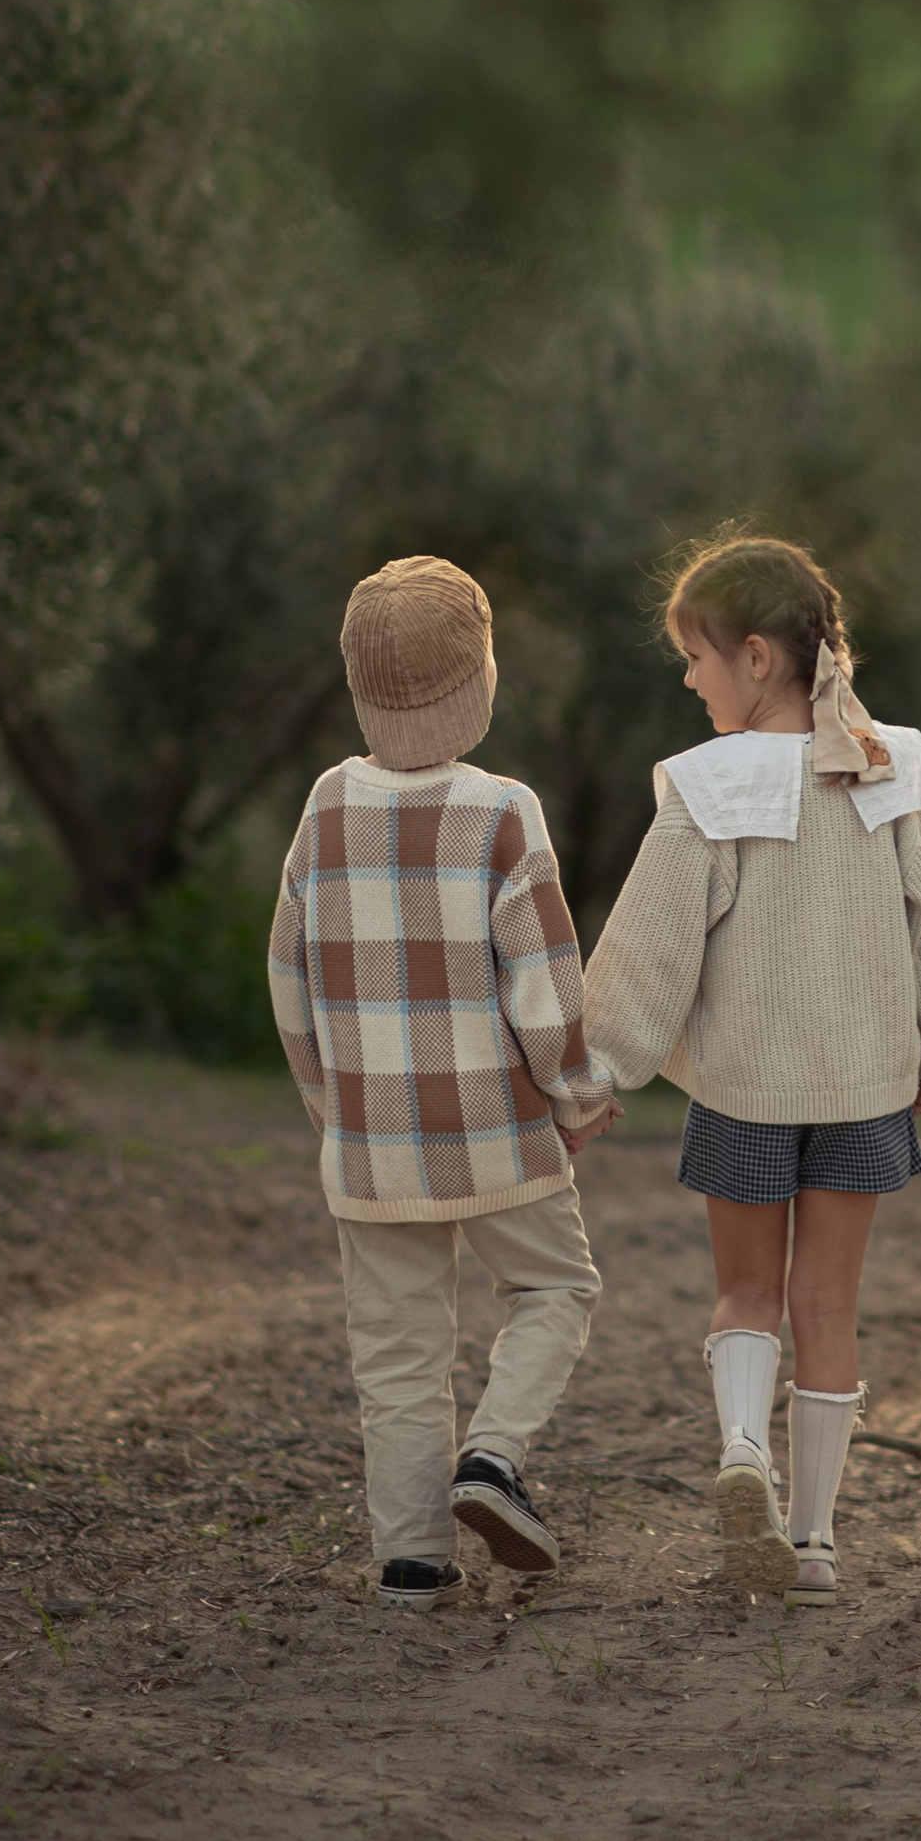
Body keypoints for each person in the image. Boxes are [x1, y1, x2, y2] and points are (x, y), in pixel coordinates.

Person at [582, 529, 921, 1605]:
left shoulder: (710, 786)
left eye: (695, 657)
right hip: (864, 1086)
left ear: (756, 657)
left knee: (744, 1290)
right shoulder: (887, 764)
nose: (688, 679)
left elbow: (649, 946)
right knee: (828, 1304)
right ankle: (814, 1542)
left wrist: (595, 1067)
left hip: (747, 1088)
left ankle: (744, 1446)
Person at [268, 554, 619, 1610]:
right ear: (480, 682)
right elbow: (545, 985)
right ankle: (494, 1457)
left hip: (371, 1145)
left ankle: (413, 1561)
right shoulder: (502, 811)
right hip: (496, 1132)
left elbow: (288, 975)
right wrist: (578, 1095)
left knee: (396, 1352)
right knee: (556, 1289)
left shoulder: (325, 805)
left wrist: (333, 1109)